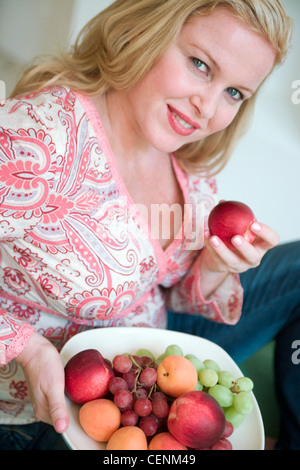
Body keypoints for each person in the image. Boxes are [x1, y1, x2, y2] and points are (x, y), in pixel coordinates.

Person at [0, 0, 297, 451]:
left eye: (235, 92)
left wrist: (215, 265)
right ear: (146, 33)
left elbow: (168, 289)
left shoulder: (189, 163)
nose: (207, 108)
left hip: (155, 361)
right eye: (200, 64)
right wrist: (24, 345)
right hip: (56, 413)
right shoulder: (40, 141)